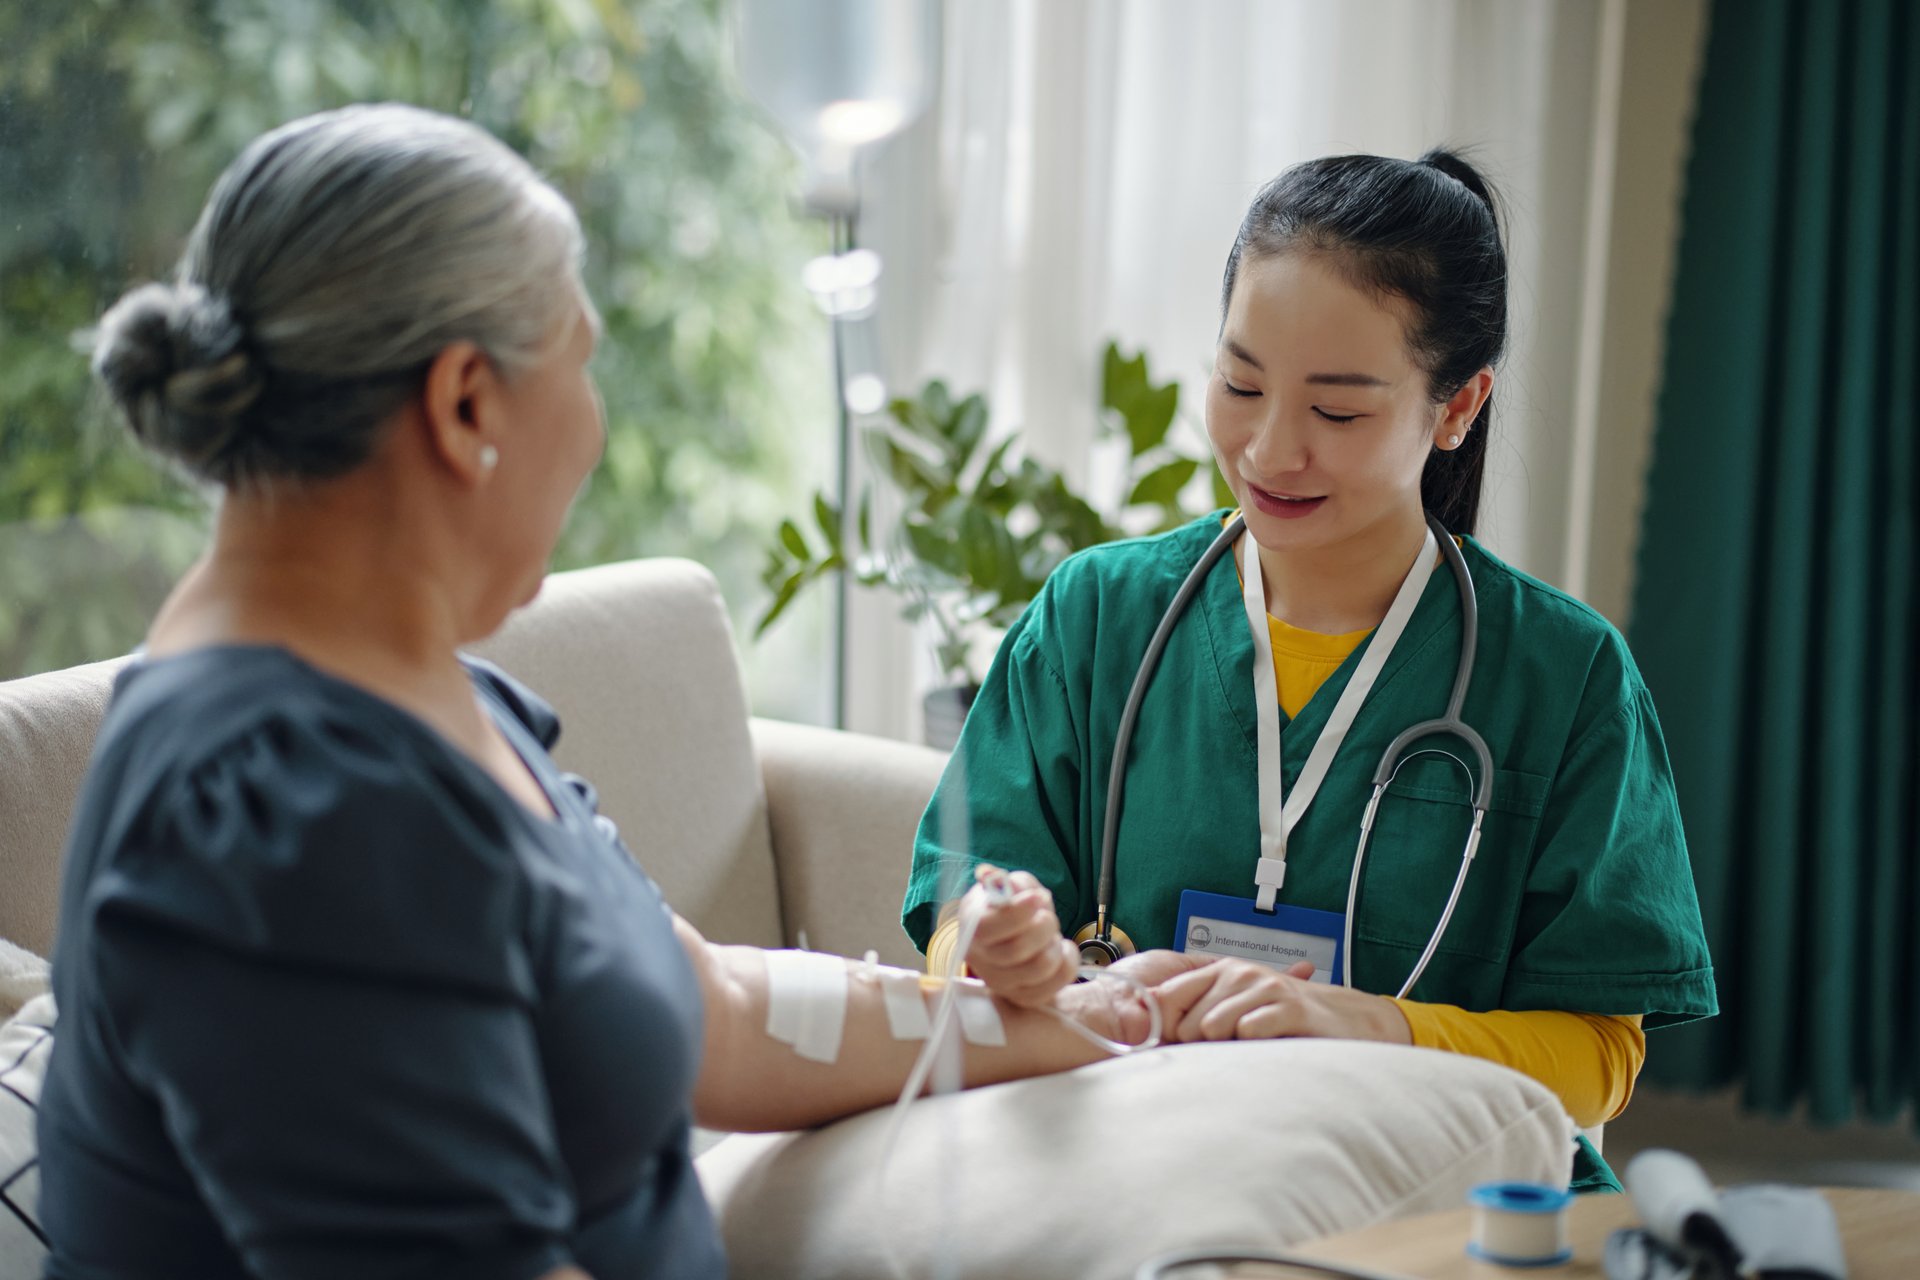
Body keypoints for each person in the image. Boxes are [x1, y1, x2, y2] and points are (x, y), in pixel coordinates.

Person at [36, 104, 1163, 1280]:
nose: (596, 426)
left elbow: (715, 1005)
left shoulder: (412, 687)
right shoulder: (284, 819)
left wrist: (1044, 1021)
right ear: (467, 401)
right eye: (581, 361)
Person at [903, 150, 1717, 1191]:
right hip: (1126, 1173)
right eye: (1241, 383)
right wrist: (991, 944)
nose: (1269, 449)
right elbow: (958, 916)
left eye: (1337, 411)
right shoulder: (1094, 617)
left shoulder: (1564, 680)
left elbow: (1600, 1060)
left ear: (1458, 404)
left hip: (1430, 1194)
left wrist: (1366, 1026)